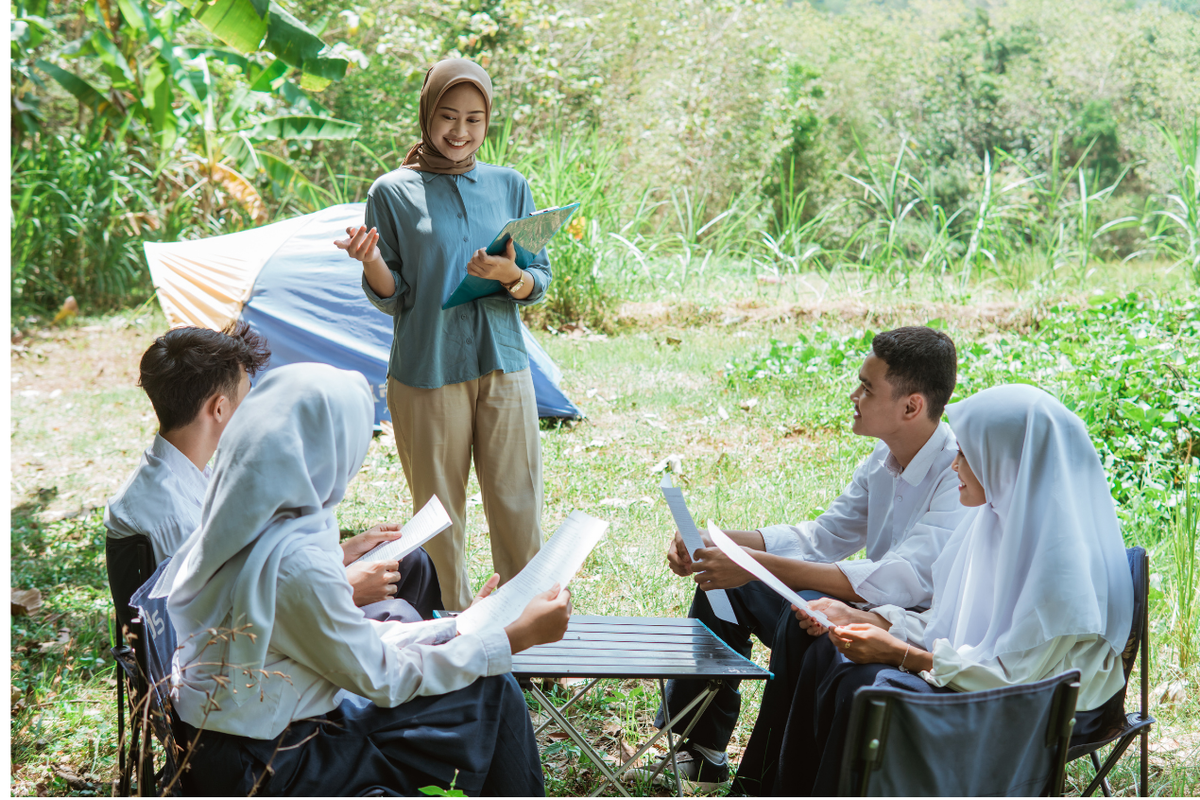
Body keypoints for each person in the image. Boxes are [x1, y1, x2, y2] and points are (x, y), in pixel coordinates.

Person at [158, 363, 569, 796]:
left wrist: (458, 627)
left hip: (236, 736)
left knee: (472, 680)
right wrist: (508, 640)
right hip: (269, 763)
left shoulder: (238, 517)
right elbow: (382, 678)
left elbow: (343, 638)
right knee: (493, 693)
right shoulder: (293, 563)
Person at [735, 383, 1134, 795]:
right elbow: (948, 622)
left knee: (865, 688)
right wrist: (872, 620)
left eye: (966, 455)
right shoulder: (991, 524)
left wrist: (899, 652)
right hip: (980, 673)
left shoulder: (1062, 566)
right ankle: (773, 788)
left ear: (1009, 462)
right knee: (827, 648)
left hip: (1040, 707)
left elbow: (1015, 684)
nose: (955, 466)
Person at [646, 326, 969, 788]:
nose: (853, 395)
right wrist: (724, 541)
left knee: (805, 601)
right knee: (733, 589)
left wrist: (755, 565)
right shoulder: (884, 457)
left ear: (911, 406)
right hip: (862, 606)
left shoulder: (957, 470)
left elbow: (906, 578)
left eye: (867, 387)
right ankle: (702, 748)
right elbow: (825, 535)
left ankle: (767, 778)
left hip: (907, 626)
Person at [335, 58, 549, 612]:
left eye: (475, 119)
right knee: (437, 514)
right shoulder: (392, 191)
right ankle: (450, 641)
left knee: (517, 502)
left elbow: (538, 279)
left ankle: (525, 634)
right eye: (448, 116)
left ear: (488, 121)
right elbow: (394, 291)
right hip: (426, 369)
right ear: (427, 114)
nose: (460, 130)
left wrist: (513, 276)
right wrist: (371, 262)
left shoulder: (510, 185)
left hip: (503, 362)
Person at [104, 324, 435, 639]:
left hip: (267, 611)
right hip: (242, 664)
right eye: (248, 395)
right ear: (219, 409)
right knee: (398, 613)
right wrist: (345, 588)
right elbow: (217, 623)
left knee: (411, 562)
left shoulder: (187, 471)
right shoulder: (169, 512)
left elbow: (250, 572)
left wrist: (342, 553)